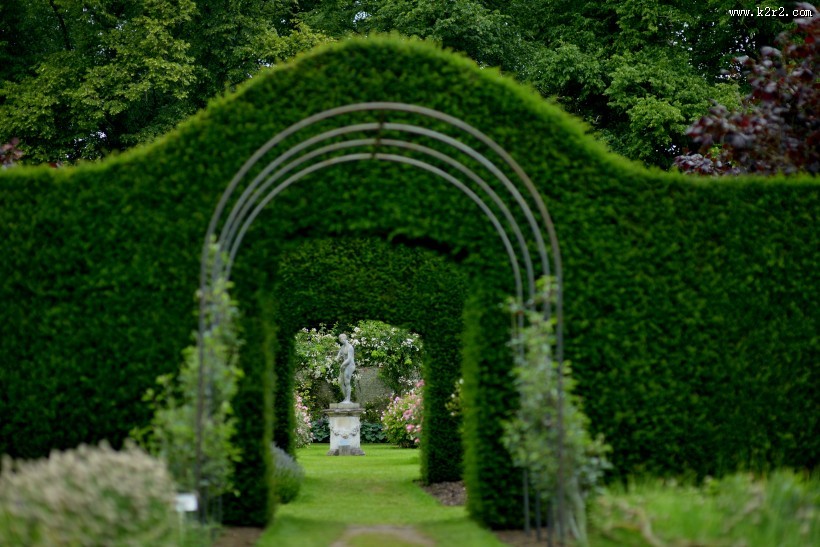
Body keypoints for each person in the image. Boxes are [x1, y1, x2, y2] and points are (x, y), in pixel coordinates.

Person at [336, 333, 355, 403]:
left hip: (350, 365)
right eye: (340, 339)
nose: (340, 340)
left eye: (341, 339)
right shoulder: (342, 347)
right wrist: (336, 358)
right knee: (340, 382)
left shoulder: (350, 347)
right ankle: (346, 398)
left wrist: (342, 365)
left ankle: (348, 399)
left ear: (344, 338)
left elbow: (349, 359)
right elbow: (338, 355)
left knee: (347, 382)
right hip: (344, 365)